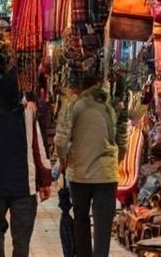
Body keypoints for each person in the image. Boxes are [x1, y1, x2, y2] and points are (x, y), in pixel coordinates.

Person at [0, 45, 52, 257]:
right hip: (24, 187)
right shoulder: (26, 115)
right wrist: (45, 180)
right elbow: (38, 149)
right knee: (21, 239)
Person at [54, 60, 126, 257]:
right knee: (103, 226)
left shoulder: (73, 105)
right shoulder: (111, 104)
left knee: (81, 220)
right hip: (106, 175)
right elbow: (122, 138)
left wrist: (62, 160)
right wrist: (116, 160)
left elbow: (61, 140)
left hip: (80, 174)